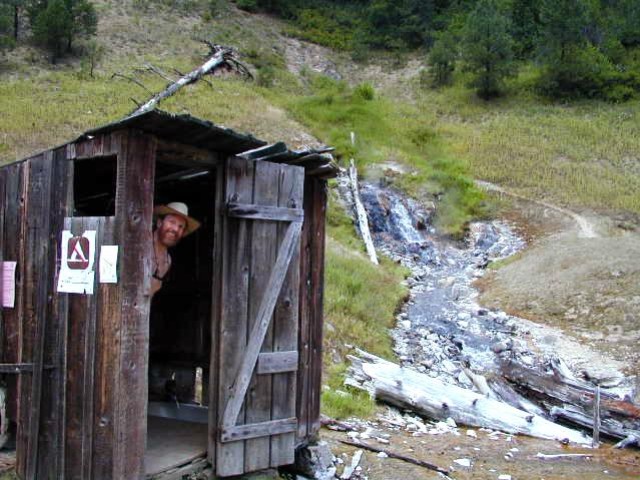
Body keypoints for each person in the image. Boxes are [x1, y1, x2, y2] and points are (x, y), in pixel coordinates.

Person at [151, 202, 200, 297]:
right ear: (159, 222)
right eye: (172, 222)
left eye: (180, 226)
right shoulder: (139, 245)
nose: (175, 229)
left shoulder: (167, 261)